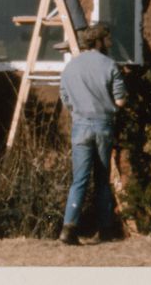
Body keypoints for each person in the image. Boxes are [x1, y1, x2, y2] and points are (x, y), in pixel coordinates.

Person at [58, 22, 126, 245]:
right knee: (102, 180)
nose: (109, 43)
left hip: (80, 126)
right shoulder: (110, 65)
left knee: (79, 180)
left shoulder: (70, 68)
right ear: (98, 41)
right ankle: (105, 230)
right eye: (107, 39)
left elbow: (66, 99)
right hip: (103, 125)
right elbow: (120, 100)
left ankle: (68, 229)